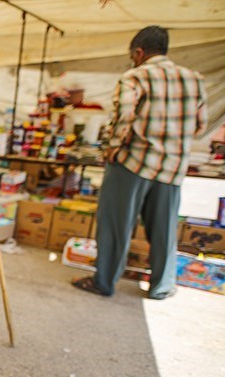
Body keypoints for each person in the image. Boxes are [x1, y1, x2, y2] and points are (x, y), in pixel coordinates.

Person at [72, 25, 207, 300]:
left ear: (139, 52)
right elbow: (200, 125)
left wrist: (111, 149)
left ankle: (105, 281)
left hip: (134, 162)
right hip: (172, 166)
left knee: (115, 224)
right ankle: (162, 286)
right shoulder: (193, 79)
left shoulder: (135, 77)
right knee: (164, 228)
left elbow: (123, 118)